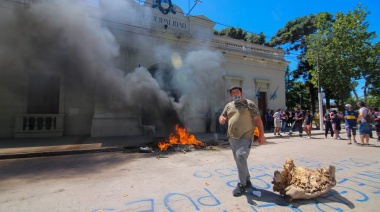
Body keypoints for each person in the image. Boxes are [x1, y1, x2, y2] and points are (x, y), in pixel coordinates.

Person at [219, 86, 265, 197]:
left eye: (237, 91)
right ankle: (247, 179)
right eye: (233, 92)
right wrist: (221, 118)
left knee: (240, 157)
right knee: (240, 159)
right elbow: (223, 115)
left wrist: (262, 135)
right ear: (231, 95)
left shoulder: (249, 104)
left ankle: (242, 184)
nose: (235, 94)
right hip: (232, 137)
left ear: (241, 92)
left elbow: (258, 120)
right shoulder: (229, 105)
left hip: (246, 136)